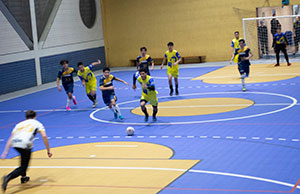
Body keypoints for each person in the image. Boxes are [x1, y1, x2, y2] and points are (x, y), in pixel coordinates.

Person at [1, 110, 52, 192]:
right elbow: (44, 136)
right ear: (35, 116)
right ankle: (8, 177)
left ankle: (24, 178)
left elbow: (11, 137)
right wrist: (48, 150)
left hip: (15, 143)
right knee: (24, 166)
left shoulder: (19, 124)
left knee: (23, 159)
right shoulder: (37, 123)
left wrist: (5, 151)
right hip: (25, 144)